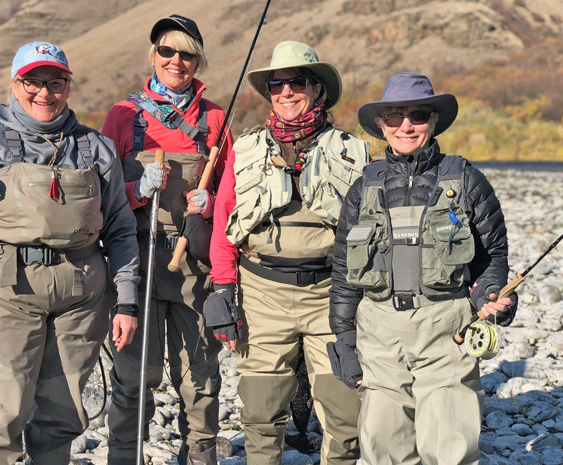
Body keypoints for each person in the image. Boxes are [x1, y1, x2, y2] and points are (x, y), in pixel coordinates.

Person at [0, 41, 140, 465]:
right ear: (14, 84)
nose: (44, 93)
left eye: (55, 82)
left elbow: (120, 228)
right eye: (32, 82)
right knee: (3, 417)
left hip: (81, 299)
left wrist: (127, 300)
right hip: (2, 295)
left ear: (68, 86)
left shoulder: (97, 148)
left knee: (63, 417)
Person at [329, 71, 518, 464]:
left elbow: (492, 258)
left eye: (416, 115)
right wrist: (344, 341)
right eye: (395, 116)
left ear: (433, 120)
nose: (405, 125)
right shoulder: (363, 187)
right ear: (381, 125)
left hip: (447, 330)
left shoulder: (466, 179)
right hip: (378, 334)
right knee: (382, 448)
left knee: (449, 448)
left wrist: (490, 295)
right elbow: (345, 273)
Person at [207, 41, 369, 465]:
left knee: (345, 414)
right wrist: (223, 288)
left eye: (296, 82)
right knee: (260, 416)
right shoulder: (245, 150)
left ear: (317, 89)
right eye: (276, 84)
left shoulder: (353, 151)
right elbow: (226, 222)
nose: (286, 91)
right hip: (261, 293)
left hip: (332, 295)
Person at [100, 15, 233, 465]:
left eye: (187, 54)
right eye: (166, 51)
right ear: (153, 55)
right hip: (133, 261)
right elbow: (96, 196)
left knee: (199, 375)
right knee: (135, 372)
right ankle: (124, 456)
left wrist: (210, 200)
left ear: (198, 60)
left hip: (193, 262)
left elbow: (232, 194)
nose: (176, 61)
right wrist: (137, 190)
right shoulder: (123, 115)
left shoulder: (216, 118)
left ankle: (198, 456)